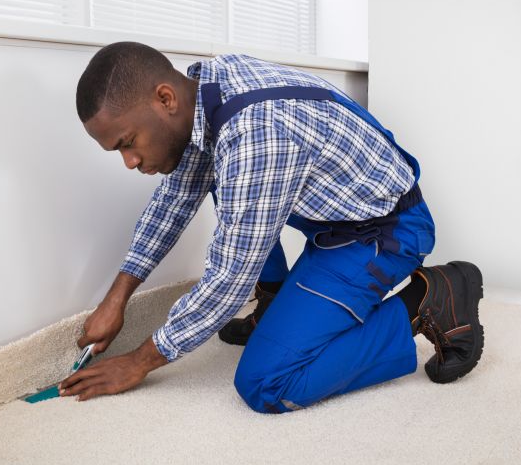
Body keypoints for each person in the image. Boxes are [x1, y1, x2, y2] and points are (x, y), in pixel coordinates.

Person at [58, 41, 484, 413]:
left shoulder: (258, 135)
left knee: (266, 383)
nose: (129, 162)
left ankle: (431, 299)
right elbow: (175, 199)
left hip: (383, 233)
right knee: (214, 176)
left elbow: (228, 281)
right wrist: (117, 300)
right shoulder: (207, 89)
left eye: (127, 143)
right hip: (339, 219)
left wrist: (140, 360)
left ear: (165, 98)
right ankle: (274, 306)